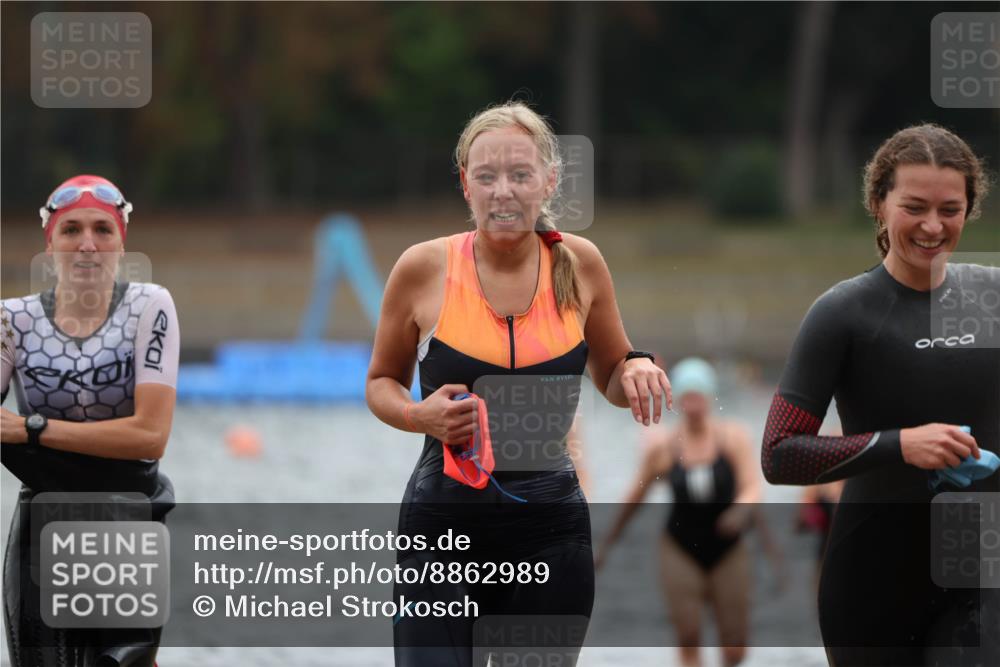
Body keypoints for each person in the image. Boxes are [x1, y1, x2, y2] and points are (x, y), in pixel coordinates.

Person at [365, 101, 672, 667]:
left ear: (549, 181)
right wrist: (418, 415)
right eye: (486, 176)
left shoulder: (581, 264)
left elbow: (609, 369)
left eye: (520, 174)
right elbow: (381, 381)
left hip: (550, 530)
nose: (502, 190)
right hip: (442, 527)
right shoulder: (423, 268)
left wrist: (634, 367)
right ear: (466, 185)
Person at [761, 124, 999, 666]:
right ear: (878, 202)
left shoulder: (994, 295)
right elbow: (778, 453)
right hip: (872, 581)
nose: (933, 226)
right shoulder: (843, 314)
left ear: (970, 207)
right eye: (914, 207)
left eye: (951, 209)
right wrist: (899, 445)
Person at [1, 175, 179, 667]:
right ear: (50, 243)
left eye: (103, 230)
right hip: (44, 528)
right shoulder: (10, 321)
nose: (87, 245)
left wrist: (30, 429)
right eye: (71, 230)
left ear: (122, 243)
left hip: (128, 519)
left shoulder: (150, 307)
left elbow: (150, 435)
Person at [596, 357, 762, 667]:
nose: (693, 403)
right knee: (688, 635)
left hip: (728, 547)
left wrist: (739, 512)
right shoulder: (665, 447)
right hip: (680, 547)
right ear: (676, 400)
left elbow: (752, 485)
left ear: (710, 397)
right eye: (687, 396)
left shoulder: (732, 438)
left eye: (698, 395)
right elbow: (634, 498)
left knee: (735, 646)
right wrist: (605, 544)